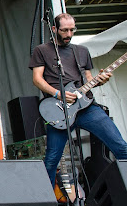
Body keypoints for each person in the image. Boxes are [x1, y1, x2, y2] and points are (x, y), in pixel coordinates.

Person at [29, 13, 127, 187]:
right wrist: (58, 94)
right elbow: (37, 79)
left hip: (87, 107)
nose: (69, 34)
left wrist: (100, 80)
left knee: (121, 147)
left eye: (72, 30)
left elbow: (88, 79)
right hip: (60, 110)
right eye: (64, 30)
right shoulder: (42, 50)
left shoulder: (81, 51)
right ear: (54, 29)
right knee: (52, 160)